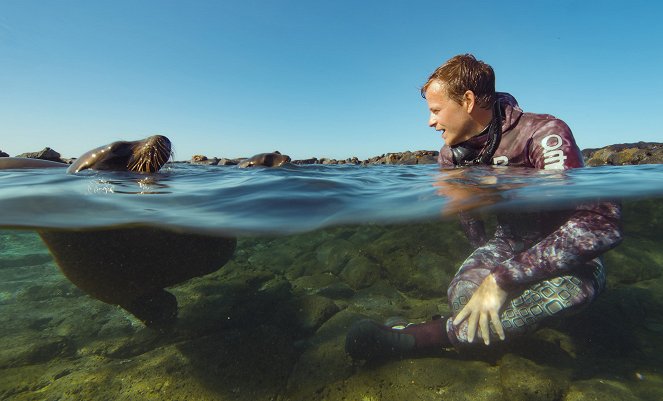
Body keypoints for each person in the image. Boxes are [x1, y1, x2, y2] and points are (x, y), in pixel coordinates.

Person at [345, 54, 623, 359]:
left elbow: (600, 224)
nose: (430, 121)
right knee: (463, 297)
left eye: (436, 110)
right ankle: (473, 327)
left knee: (557, 299)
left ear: (467, 101)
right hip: (510, 242)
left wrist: (501, 279)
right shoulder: (450, 156)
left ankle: (424, 336)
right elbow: (469, 219)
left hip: (574, 260)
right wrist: (485, 257)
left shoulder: (543, 132)